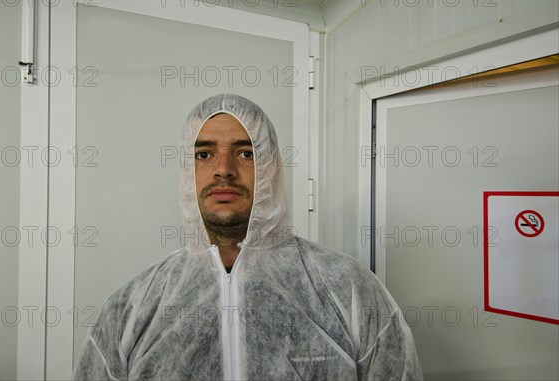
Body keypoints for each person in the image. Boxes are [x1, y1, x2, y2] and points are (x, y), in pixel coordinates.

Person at [73, 93, 422, 380]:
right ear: (186, 172)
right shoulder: (131, 308)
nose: (224, 168)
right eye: (204, 154)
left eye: (245, 153)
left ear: (272, 168)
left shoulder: (349, 291)